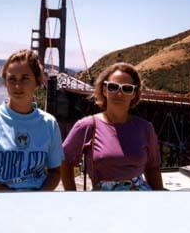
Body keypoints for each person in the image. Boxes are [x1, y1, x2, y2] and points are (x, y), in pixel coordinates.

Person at [0, 49, 63, 191]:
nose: (17, 86)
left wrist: (39, 198)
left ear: (37, 82)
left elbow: (55, 172)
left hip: (36, 207)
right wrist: (8, 196)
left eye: (25, 79)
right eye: (12, 79)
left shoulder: (49, 124)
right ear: (5, 82)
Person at [61, 62, 164, 191]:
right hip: (103, 204)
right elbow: (65, 161)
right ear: (104, 90)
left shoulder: (145, 128)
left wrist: (161, 202)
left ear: (134, 94)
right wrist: (72, 197)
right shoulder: (87, 126)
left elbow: (152, 168)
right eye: (113, 87)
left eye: (127, 89)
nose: (119, 93)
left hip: (140, 201)